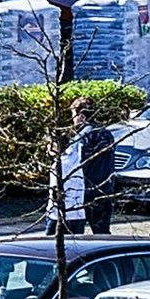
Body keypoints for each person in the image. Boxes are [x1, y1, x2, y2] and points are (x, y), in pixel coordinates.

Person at [57, 99, 119, 235]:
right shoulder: (107, 134)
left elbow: (72, 163)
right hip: (105, 188)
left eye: (73, 115)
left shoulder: (82, 137)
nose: (73, 120)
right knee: (102, 232)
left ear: (81, 116)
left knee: (74, 233)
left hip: (84, 191)